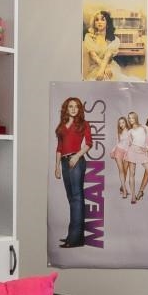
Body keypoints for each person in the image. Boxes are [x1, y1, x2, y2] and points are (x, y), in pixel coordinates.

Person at [54, 96, 92, 248]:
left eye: (76, 106)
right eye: (71, 106)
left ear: (79, 109)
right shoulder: (62, 126)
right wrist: (57, 166)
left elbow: (89, 143)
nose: (74, 109)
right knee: (71, 199)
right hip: (64, 162)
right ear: (66, 108)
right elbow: (59, 147)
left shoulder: (84, 124)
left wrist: (76, 156)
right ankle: (75, 236)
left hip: (76, 161)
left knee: (77, 198)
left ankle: (75, 238)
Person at [124, 110, 148, 205]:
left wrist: (147, 148)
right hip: (132, 151)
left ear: (135, 118)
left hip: (141, 152)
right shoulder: (130, 131)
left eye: (132, 118)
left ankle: (142, 192)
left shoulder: (143, 127)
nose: (130, 119)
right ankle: (133, 196)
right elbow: (129, 144)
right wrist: (126, 153)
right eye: (129, 118)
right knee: (132, 173)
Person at [83, 11, 119, 80]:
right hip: (95, 66)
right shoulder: (89, 37)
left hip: (109, 66)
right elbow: (94, 56)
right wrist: (103, 70)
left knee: (109, 78)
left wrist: (103, 70)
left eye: (102, 19)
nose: (99, 22)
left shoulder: (114, 39)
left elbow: (107, 57)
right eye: (97, 20)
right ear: (94, 23)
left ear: (107, 22)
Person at [110, 115, 133, 198]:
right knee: (121, 171)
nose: (121, 124)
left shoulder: (130, 131)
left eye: (123, 122)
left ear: (126, 122)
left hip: (127, 152)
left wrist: (127, 152)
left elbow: (131, 143)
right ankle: (124, 191)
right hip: (118, 151)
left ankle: (122, 187)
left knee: (125, 170)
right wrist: (112, 150)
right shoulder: (119, 132)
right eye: (120, 123)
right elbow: (117, 143)